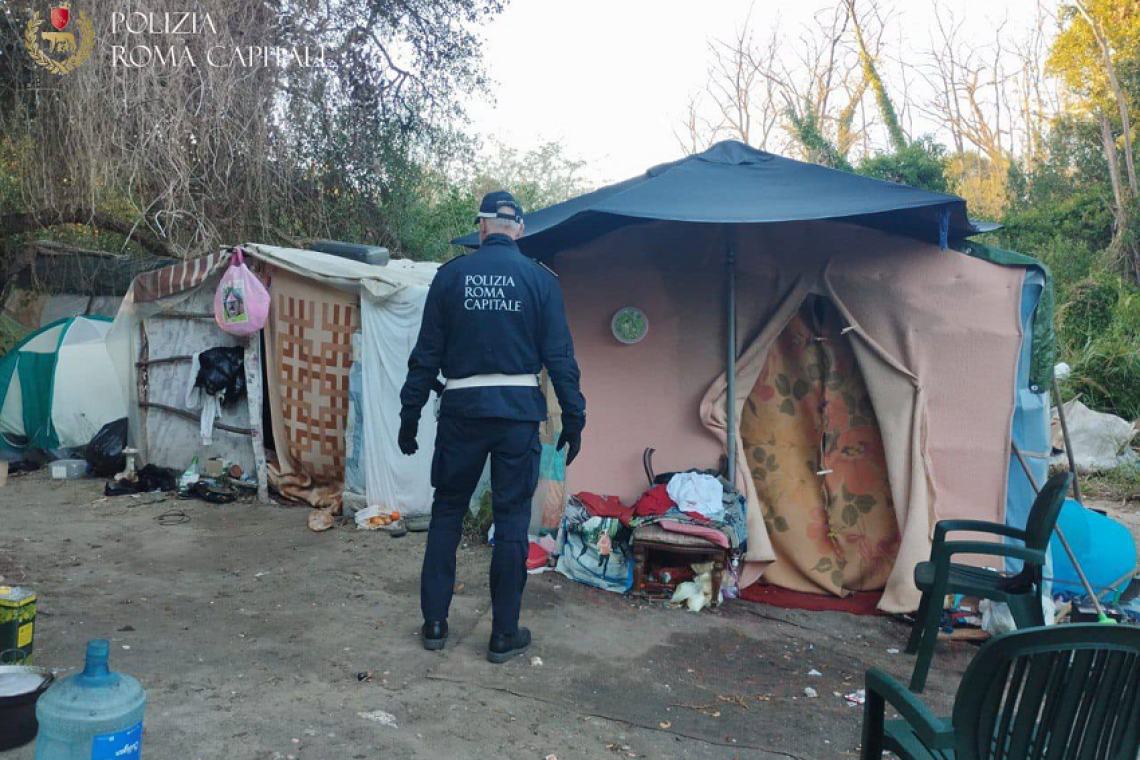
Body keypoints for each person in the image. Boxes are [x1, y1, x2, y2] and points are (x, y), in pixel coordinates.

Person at [398, 190, 586, 664]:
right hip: (517, 415)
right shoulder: (540, 281)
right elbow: (560, 357)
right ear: (519, 230)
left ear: (480, 228)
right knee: (510, 522)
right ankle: (503, 634)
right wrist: (575, 415)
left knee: (447, 514)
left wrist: (410, 413)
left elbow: (425, 357)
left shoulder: (450, 276)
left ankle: (435, 624)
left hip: (461, 411)